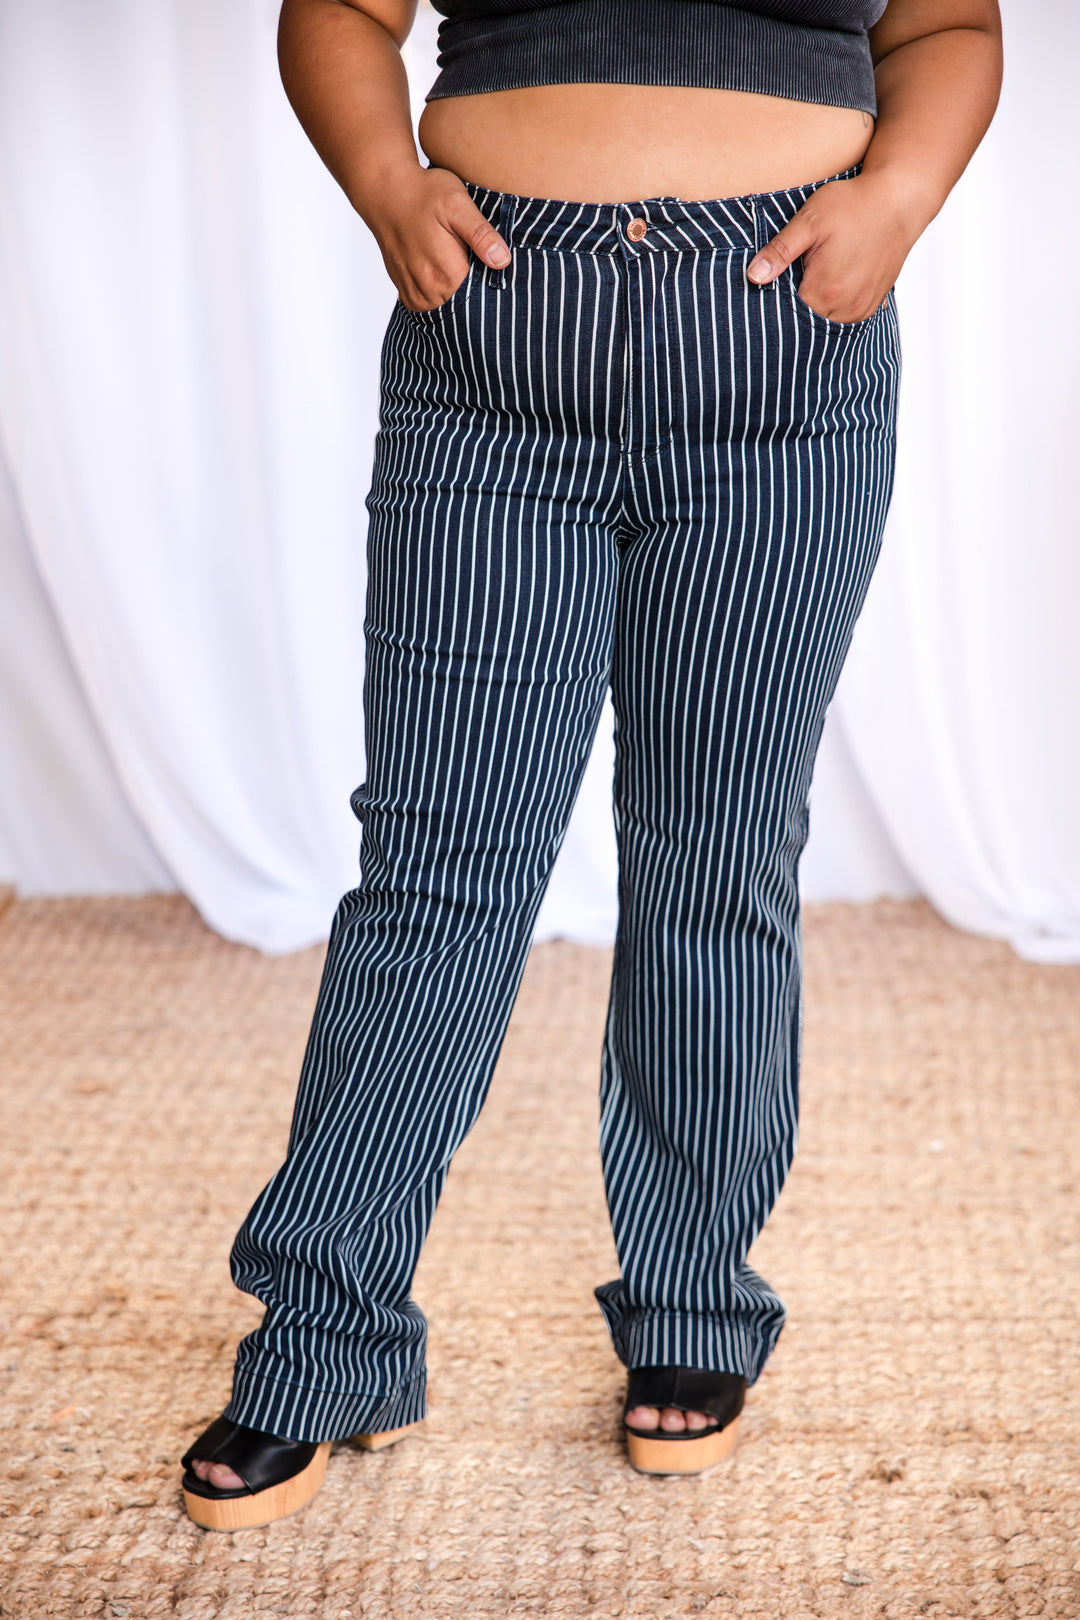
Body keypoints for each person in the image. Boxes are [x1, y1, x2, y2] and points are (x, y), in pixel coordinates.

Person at [181, 0, 1002, 1530]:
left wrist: (898, 199)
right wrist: (385, 183)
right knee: (437, 873)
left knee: (715, 858)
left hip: (780, 355)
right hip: (497, 339)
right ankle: (324, 1340)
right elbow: (341, 13)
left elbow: (948, 23)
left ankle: (693, 1304)